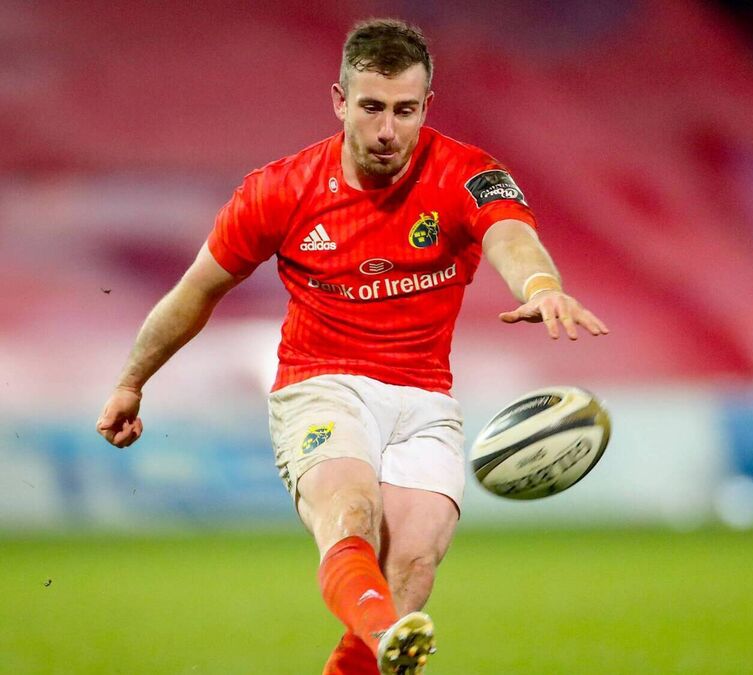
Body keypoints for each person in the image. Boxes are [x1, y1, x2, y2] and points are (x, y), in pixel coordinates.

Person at [95, 18, 607, 675]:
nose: (387, 129)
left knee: (413, 564)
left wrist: (541, 285)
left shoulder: (469, 174)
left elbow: (511, 235)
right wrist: (131, 381)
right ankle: (385, 629)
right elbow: (196, 291)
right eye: (371, 107)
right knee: (351, 511)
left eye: (404, 110)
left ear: (427, 106)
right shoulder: (280, 190)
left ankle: (381, 633)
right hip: (321, 383)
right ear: (340, 101)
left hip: (425, 398)